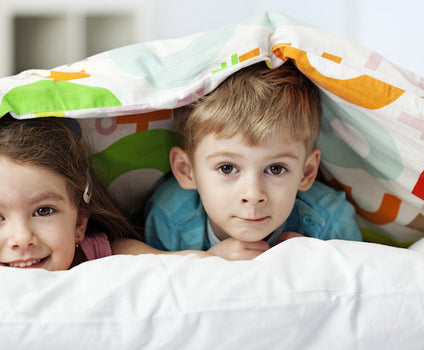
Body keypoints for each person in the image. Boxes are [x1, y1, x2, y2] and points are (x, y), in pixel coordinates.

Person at [0, 116, 217, 270]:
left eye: (44, 210)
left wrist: (211, 259)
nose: (22, 238)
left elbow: (159, 262)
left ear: (79, 223)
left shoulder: (99, 255)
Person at [144, 61, 362, 261]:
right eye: (227, 168)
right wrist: (207, 262)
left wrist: (320, 265)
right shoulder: (169, 216)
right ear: (186, 171)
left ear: (306, 172)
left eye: (276, 169)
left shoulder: (331, 222)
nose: (253, 194)